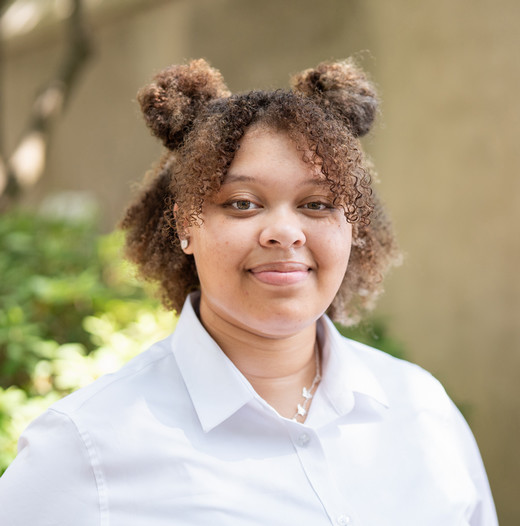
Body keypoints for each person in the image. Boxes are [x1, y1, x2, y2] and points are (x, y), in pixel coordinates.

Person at [0, 59, 497, 525]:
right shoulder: (86, 446)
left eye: (319, 204)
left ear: (353, 227)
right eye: (242, 203)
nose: (284, 232)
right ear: (185, 225)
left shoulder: (422, 410)